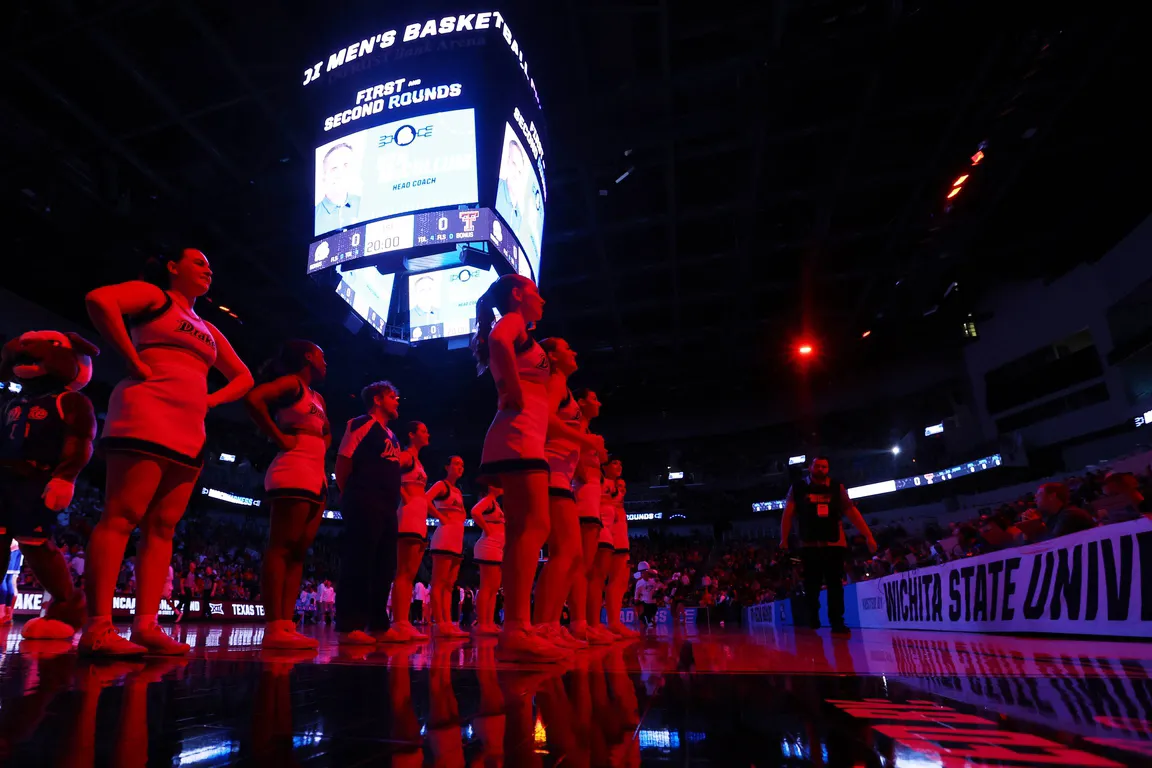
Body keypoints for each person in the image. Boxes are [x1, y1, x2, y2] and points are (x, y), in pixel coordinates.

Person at [82, 249, 253, 656]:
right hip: (145, 410)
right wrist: (131, 359)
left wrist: (209, 401)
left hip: (189, 427)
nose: (208, 269)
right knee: (122, 515)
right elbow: (99, 300)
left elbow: (244, 377)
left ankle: (146, 626)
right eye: (199, 262)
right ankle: (98, 628)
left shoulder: (208, 328)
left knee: (163, 527)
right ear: (173, 267)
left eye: (210, 265)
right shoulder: (155, 297)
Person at [471, 274, 564, 661]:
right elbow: (497, 340)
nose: (542, 300)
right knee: (534, 526)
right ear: (517, 294)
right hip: (518, 435)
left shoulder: (523, 331)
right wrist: (510, 387)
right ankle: (516, 629)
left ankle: (517, 627)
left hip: (523, 436)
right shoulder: (512, 322)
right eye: (536, 293)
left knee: (526, 529)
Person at [244, 340, 330, 649]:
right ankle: (273, 626)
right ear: (308, 356)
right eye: (322, 355)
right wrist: (280, 438)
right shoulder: (292, 384)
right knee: (281, 547)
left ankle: (285, 623)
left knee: (299, 552)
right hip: (293, 467)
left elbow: (327, 431)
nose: (326, 362)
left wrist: (320, 446)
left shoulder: (318, 397)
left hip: (316, 473)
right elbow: (254, 399)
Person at [533, 338, 605, 649]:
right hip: (550, 475)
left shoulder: (564, 391)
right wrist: (586, 441)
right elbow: (545, 421)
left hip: (561, 477)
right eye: (567, 348)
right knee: (564, 554)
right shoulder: (555, 383)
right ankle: (542, 626)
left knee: (572, 557)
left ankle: (551, 625)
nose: (574, 351)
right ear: (552, 355)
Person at [333, 381, 411, 645]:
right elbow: (343, 462)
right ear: (377, 400)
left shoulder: (392, 435)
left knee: (385, 567)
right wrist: (350, 496)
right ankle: (349, 625)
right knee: (359, 562)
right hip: (364, 501)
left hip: (388, 507)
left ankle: (378, 624)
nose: (397, 400)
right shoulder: (360, 423)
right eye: (392, 396)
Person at [779, 456, 877, 636]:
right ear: (810, 467)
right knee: (811, 585)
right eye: (817, 466)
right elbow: (788, 513)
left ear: (828, 469)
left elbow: (852, 512)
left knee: (835, 585)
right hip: (809, 544)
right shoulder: (797, 487)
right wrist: (783, 539)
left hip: (834, 542)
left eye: (824, 467)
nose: (821, 469)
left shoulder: (837, 487)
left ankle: (837, 622)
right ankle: (813, 616)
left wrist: (868, 535)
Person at [382, 422, 436, 642]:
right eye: (423, 430)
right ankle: (399, 622)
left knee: (410, 574)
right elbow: (387, 470)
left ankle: (403, 621)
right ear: (412, 435)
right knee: (403, 572)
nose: (428, 433)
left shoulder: (419, 462)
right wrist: (404, 497)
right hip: (408, 517)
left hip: (419, 519)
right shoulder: (405, 456)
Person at [571, 389, 617, 645]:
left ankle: (590, 623)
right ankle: (579, 624)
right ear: (581, 402)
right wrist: (580, 474)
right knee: (581, 567)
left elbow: (600, 457)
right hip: (582, 500)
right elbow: (572, 453)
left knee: (588, 570)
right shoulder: (577, 425)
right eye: (594, 398)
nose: (598, 402)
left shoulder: (587, 430)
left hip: (591, 503)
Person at [427, 456, 469, 638]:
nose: (460, 467)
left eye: (462, 465)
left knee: (449, 585)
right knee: (439, 582)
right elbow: (425, 499)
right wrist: (440, 517)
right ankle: (440, 623)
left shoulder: (458, 492)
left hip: (456, 540)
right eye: (456, 463)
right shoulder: (441, 485)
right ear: (447, 466)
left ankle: (448, 622)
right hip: (444, 538)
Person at [602, 458, 639, 637]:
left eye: (624, 487)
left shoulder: (620, 507)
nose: (622, 490)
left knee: (622, 582)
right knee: (614, 582)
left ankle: (615, 622)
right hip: (612, 537)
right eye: (619, 487)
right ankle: (613, 623)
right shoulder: (607, 495)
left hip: (622, 539)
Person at [470, 485, 505, 636]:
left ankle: (489, 622)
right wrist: (487, 529)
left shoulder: (495, 503)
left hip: (496, 548)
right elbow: (475, 512)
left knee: (494, 587)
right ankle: (482, 623)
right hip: (488, 547)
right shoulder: (488, 500)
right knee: (486, 586)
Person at [314, 142, 361, 234]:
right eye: (334, 168)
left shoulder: (364, 204)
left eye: (346, 165)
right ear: (324, 176)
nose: (341, 173)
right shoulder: (314, 216)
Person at [633, 563, 661, 631]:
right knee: (645, 614)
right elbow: (636, 592)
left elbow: (657, 587)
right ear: (642, 574)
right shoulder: (639, 583)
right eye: (644, 573)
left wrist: (657, 591)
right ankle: (647, 622)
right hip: (645, 602)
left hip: (653, 602)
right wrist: (636, 600)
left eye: (647, 572)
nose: (646, 574)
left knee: (653, 612)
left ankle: (648, 621)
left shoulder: (653, 581)